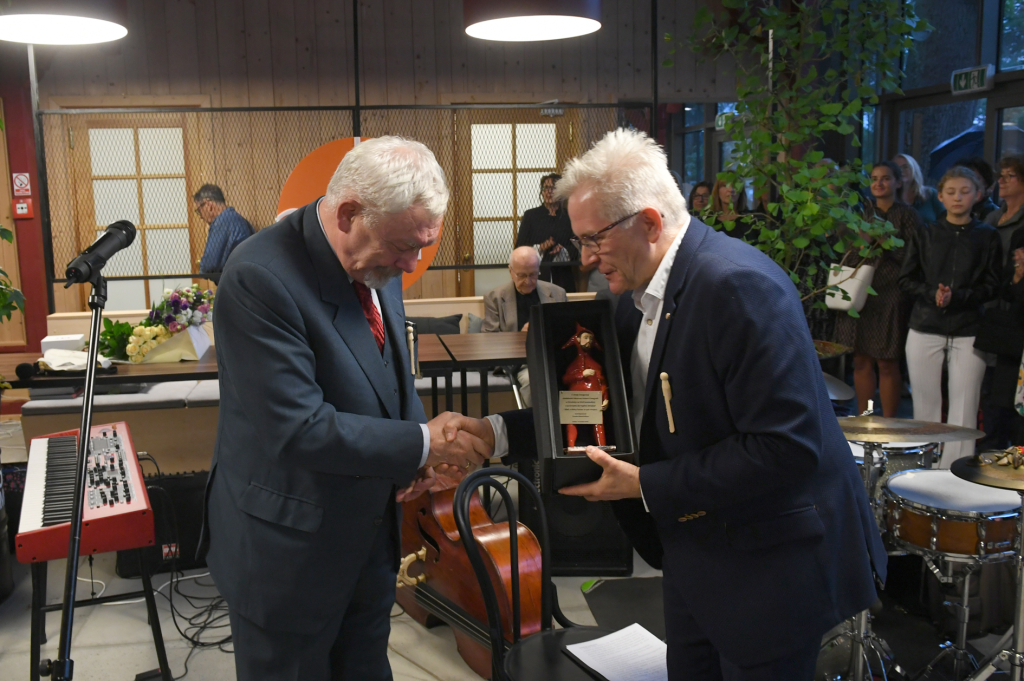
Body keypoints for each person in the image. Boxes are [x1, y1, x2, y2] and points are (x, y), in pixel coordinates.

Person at [444, 129, 885, 681]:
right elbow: (598, 407)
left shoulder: (737, 286)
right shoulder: (634, 297)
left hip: (769, 567)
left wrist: (645, 484)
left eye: (594, 240)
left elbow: (785, 449)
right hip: (696, 551)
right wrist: (494, 433)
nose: (584, 259)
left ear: (650, 223)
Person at [201, 136, 492, 681]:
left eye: (423, 246)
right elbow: (299, 428)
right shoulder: (259, 277)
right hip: (287, 546)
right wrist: (425, 442)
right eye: (405, 246)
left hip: (366, 532)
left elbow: (387, 374)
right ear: (350, 213)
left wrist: (416, 453)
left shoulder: (381, 255)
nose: (411, 262)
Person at [899, 166, 1002, 467]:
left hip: (968, 327)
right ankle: (923, 469)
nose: (958, 197)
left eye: (965, 191)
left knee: (965, 406)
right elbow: (906, 280)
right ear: (940, 196)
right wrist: (933, 293)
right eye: (951, 192)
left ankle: (956, 472)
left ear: (978, 195)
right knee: (925, 405)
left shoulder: (988, 236)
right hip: (924, 325)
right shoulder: (925, 232)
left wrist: (958, 297)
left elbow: (993, 285)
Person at [834, 161, 922, 416]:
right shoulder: (860, 213)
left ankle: (889, 422)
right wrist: (860, 243)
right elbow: (846, 255)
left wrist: (883, 239)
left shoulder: (908, 215)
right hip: (861, 291)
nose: (879, 183)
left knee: (886, 361)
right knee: (861, 360)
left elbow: (913, 257)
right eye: (874, 179)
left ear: (897, 182)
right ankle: (864, 419)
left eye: (885, 178)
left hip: (891, 293)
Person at [482, 246, 567, 406]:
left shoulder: (557, 294)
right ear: (511, 271)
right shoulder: (496, 298)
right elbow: (489, 341)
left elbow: (567, 331)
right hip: (520, 363)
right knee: (533, 381)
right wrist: (521, 336)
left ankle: (572, 428)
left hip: (552, 358)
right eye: (521, 275)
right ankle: (541, 428)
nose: (528, 281)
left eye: (533, 275)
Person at [980, 156, 1024, 448]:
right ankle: (992, 450)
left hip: (1016, 312)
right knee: (993, 391)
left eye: (1010, 175)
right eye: (1001, 175)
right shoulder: (991, 219)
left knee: (1010, 393)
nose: (1002, 181)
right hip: (992, 309)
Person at [516, 173, 579, 292]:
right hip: (536, 275)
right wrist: (539, 248)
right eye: (545, 188)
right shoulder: (531, 216)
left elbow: (578, 247)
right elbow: (519, 247)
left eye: (553, 188)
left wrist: (563, 250)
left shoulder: (569, 216)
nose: (549, 191)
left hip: (563, 276)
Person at [194, 184, 255, 284]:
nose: (200, 216)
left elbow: (209, 264)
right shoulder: (238, 220)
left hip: (235, 284)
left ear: (209, 205)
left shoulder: (221, 222)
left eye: (199, 210)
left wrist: (202, 266)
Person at [893, 153, 945, 223]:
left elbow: (946, 221)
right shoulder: (890, 197)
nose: (901, 171)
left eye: (905, 167)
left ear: (914, 169)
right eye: (897, 168)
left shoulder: (931, 194)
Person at [953, 157, 999, 221]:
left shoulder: (997, 217)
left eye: (974, 179)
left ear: (987, 184)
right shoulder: (946, 214)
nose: (967, 184)